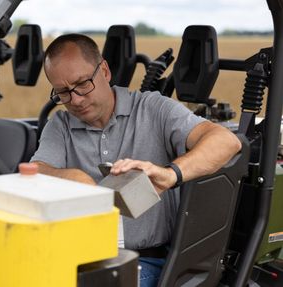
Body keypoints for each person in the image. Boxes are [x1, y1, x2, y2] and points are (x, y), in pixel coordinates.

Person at [30, 33, 241, 287]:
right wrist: (76, 179)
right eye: (63, 92)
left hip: (147, 261)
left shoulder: (153, 109)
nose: (75, 100)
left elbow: (226, 141)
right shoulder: (61, 125)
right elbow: (36, 170)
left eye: (82, 84)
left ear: (104, 71)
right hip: (81, 258)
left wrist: (170, 174)